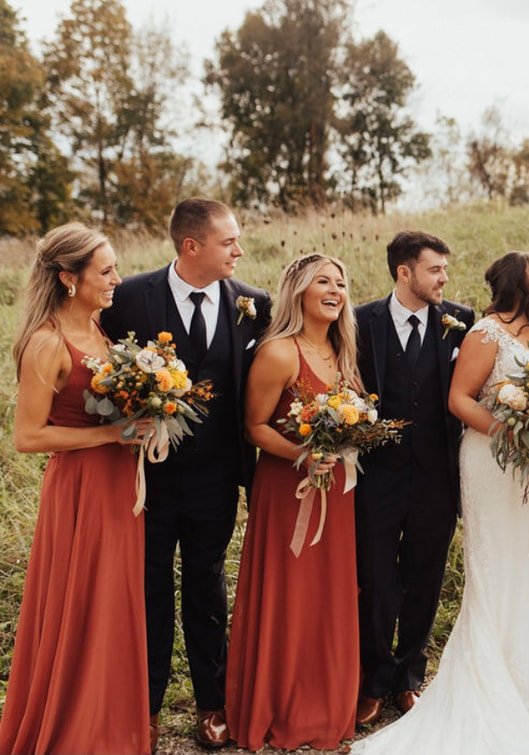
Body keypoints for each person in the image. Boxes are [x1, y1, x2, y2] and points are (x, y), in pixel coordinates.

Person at [352, 251, 529, 754]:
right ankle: (455, 679)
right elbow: (459, 399)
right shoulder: (486, 331)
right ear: (520, 280)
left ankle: (527, 682)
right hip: (494, 464)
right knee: (493, 566)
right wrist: (513, 433)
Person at [100, 198, 271, 750]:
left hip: (218, 478)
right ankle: (145, 707)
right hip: (144, 477)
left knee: (207, 588)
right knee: (147, 590)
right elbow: (97, 370)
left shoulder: (253, 304)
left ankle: (211, 704)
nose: (239, 251)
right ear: (191, 246)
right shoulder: (129, 298)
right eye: (229, 242)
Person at [1, 223, 153, 753]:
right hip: (81, 492)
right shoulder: (47, 343)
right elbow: (27, 436)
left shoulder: (99, 329)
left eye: (115, 268)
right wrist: (112, 434)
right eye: (105, 271)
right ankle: (74, 731)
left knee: (112, 604)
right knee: (81, 602)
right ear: (69, 278)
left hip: (119, 486)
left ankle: (108, 725)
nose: (117, 279)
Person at [224, 255, 360, 750]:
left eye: (340, 283)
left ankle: (324, 704)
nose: (335, 290)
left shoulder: (343, 352)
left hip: (336, 492)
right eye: (323, 281)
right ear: (298, 291)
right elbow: (254, 426)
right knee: (289, 594)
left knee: (327, 596)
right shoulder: (279, 352)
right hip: (288, 489)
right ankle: (278, 704)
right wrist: (304, 455)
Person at [352, 231, 474, 725]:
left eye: (445, 268)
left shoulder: (460, 320)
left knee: (425, 579)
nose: (444, 278)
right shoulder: (361, 321)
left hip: (436, 477)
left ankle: (408, 678)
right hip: (376, 478)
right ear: (405, 272)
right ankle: (373, 682)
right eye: (434, 269)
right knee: (377, 581)